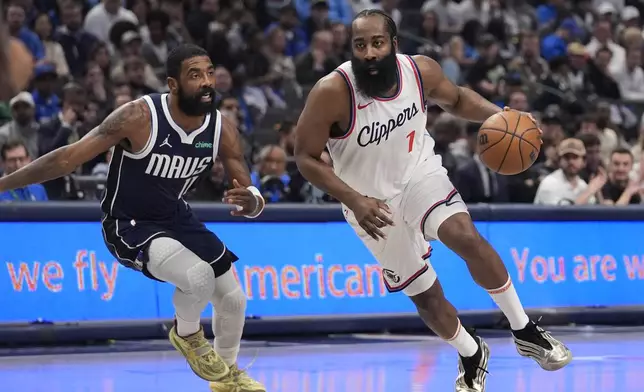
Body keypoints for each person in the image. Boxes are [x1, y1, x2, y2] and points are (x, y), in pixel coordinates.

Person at [294, 9, 572, 392]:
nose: (370, 52)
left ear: (393, 44)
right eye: (360, 45)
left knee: (466, 237)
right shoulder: (332, 91)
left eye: (377, 43)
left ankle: (524, 329)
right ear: (352, 50)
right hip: (368, 202)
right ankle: (471, 350)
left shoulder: (419, 71)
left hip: (418, 174)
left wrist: (502, 115)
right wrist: (355, 200)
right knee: (426, 297)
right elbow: (305, 157)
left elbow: (456, 99)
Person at [0, 44, 266, 392]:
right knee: (198, 277)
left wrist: (253, 201)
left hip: (175, 216)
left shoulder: (220, 129)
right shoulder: (139, 117)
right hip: (128, 222)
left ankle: (226, 379)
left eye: (210, 72)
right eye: (195, 75)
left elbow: (248, 189)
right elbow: (67, 159)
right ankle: (187, 335)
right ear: (172, 84)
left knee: (233, 297)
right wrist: (3, 184)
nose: (207, 82)